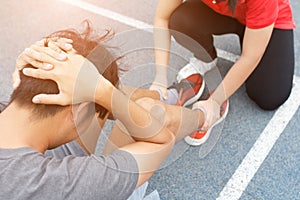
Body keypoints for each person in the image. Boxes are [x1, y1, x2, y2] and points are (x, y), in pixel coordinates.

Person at [0, 22, 206, 199]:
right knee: (150, 113)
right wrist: (103, 92)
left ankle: (167, 95)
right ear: (78, 112)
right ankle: (204, 116)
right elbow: (160, 141)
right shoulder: (59, 184)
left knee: (108, 92)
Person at [151, 0, 295, 145]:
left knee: (269, 96)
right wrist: (160, 77)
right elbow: (162, 17)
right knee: (180, 20)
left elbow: (250, 56)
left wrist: (215, 101)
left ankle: (217, 95)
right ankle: (207, 58)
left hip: (267, 21)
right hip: (227, 13)